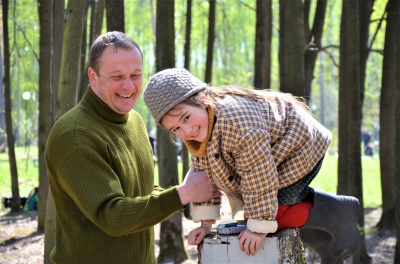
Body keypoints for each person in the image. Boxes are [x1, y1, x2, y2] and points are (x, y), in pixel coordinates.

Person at [143, 68, 360, 263]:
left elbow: (258, 172)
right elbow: (203, 176)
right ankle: (326, 243)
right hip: (275, 159)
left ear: (202, 99)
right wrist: (206, 223)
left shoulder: (236, 121)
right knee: (264, 217)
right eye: (175, 129)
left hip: (298, 147)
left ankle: (339, 212)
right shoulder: (199, 134)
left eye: (186, 117)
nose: (186, 131)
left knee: (269, 218)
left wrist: (258, 227)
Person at [45, 32, 222, 264]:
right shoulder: (75, 135)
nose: (129, 86)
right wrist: (184, 193)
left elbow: (141, 191)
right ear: (93, 76)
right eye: (117, 76)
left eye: (135, 75)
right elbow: (112, 215)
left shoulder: (134, 121)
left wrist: (191, 203)